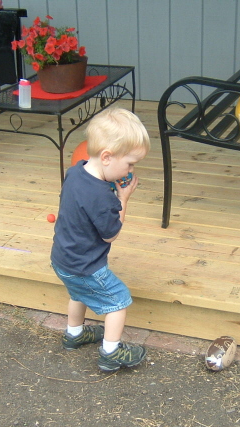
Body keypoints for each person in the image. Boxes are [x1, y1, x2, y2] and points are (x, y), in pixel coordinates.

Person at [51, 108, 151, 372]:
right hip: (86, 266)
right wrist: (123, 200)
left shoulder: (75, 172)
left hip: (63, 259)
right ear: (107, 157)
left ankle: (74, 334)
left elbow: (84, 198)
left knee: (78, 293)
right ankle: (111, 352)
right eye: (130, 163)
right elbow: (111, 233)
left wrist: (110, 187)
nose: (130, 169)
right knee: (119, 300)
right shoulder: (104, 199)